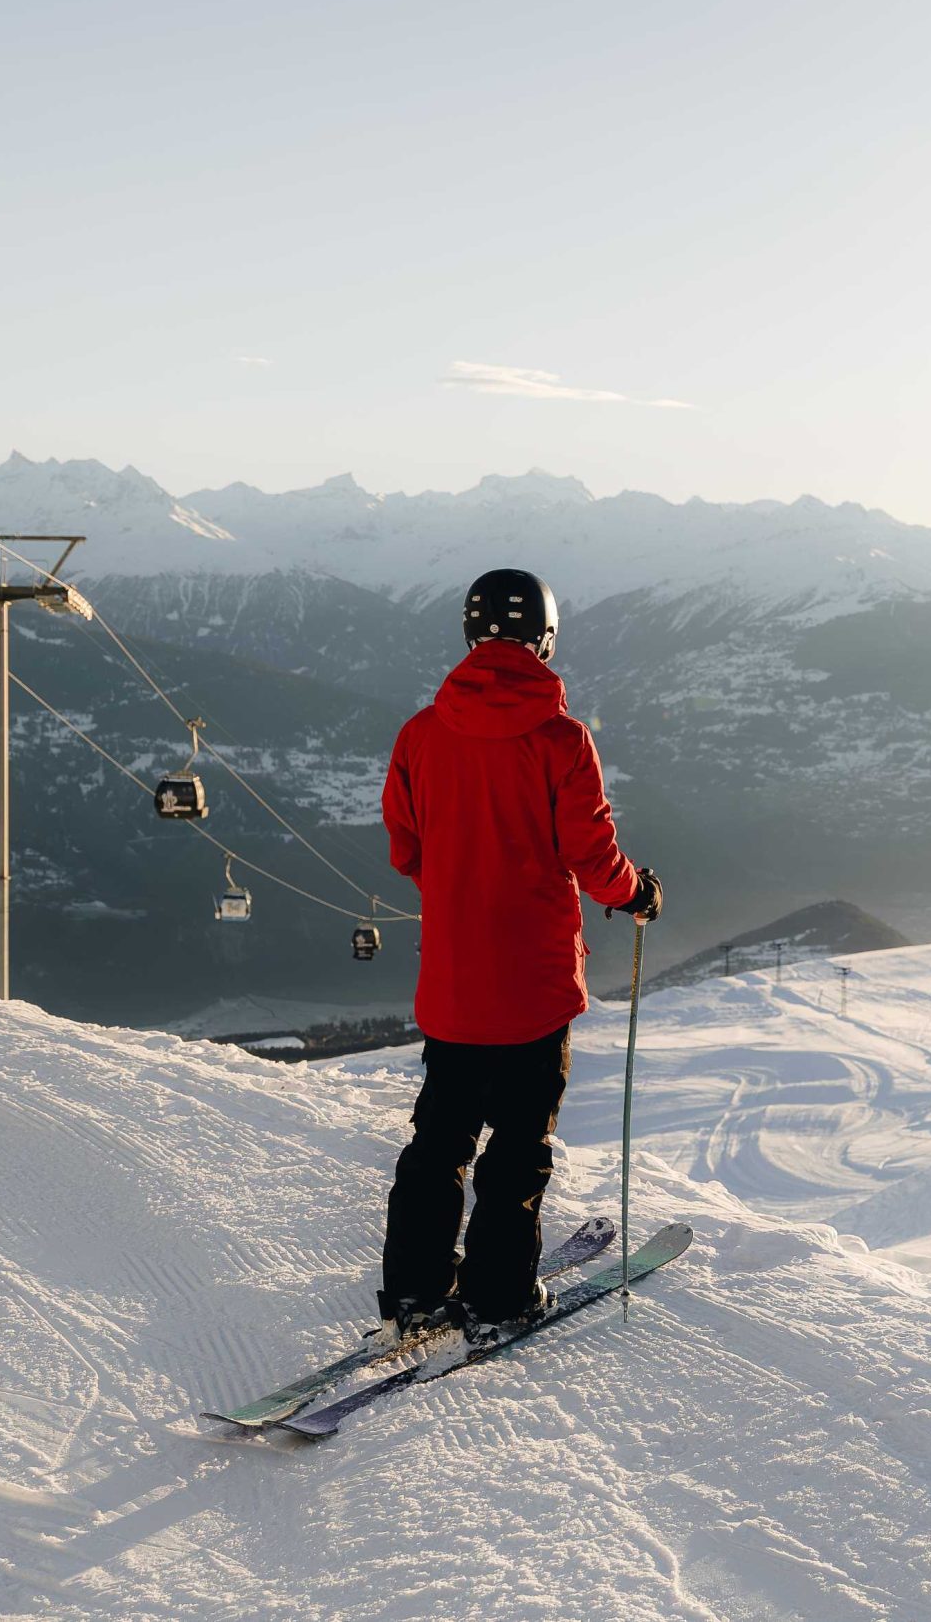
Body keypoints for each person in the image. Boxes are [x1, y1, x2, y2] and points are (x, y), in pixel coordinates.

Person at [376, 567, 661, 1338]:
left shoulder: (420, 735)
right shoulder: (563, 740)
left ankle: (413, 1289)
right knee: (519, 1145)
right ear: (545, 637)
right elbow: (592, 852)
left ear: (471, 637)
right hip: (534, 983)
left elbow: (406, 846)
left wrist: (458, 876)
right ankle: (499, 1292)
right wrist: (635, 892)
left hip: (454, 980)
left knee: (439, 1141)